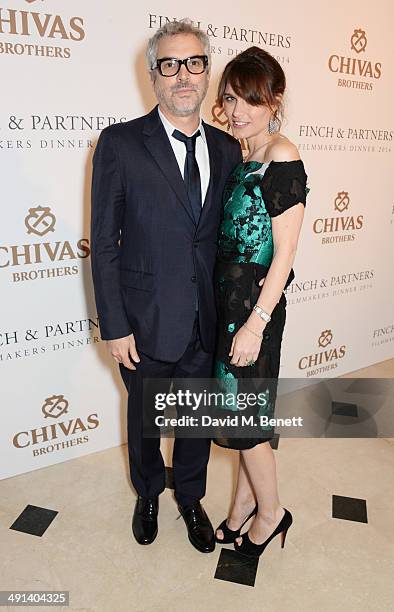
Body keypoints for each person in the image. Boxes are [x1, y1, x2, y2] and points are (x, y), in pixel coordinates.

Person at [90, 19, 242, 553]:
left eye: (195, 63)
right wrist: (115, 323)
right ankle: (150, 492)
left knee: (197, 419)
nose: (184, 76)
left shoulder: (228, 149)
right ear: (154, 76)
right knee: (147, 419)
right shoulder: (120, 143)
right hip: (145, 317)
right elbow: (104, 242)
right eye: (171, 65)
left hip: (206, 315)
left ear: (207, 73)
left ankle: (191, 497)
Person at [212, 46, 308, 557]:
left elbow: (285, 251)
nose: (238, 110)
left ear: (275, 100)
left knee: (244, 421)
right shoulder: (243, 152)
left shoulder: (282, 155)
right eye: (230, 98)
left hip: (253, 308)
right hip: (229, 305)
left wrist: (256, 322)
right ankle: (240, 509)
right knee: (241, 416)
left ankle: (272, 513)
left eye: (251, 99)